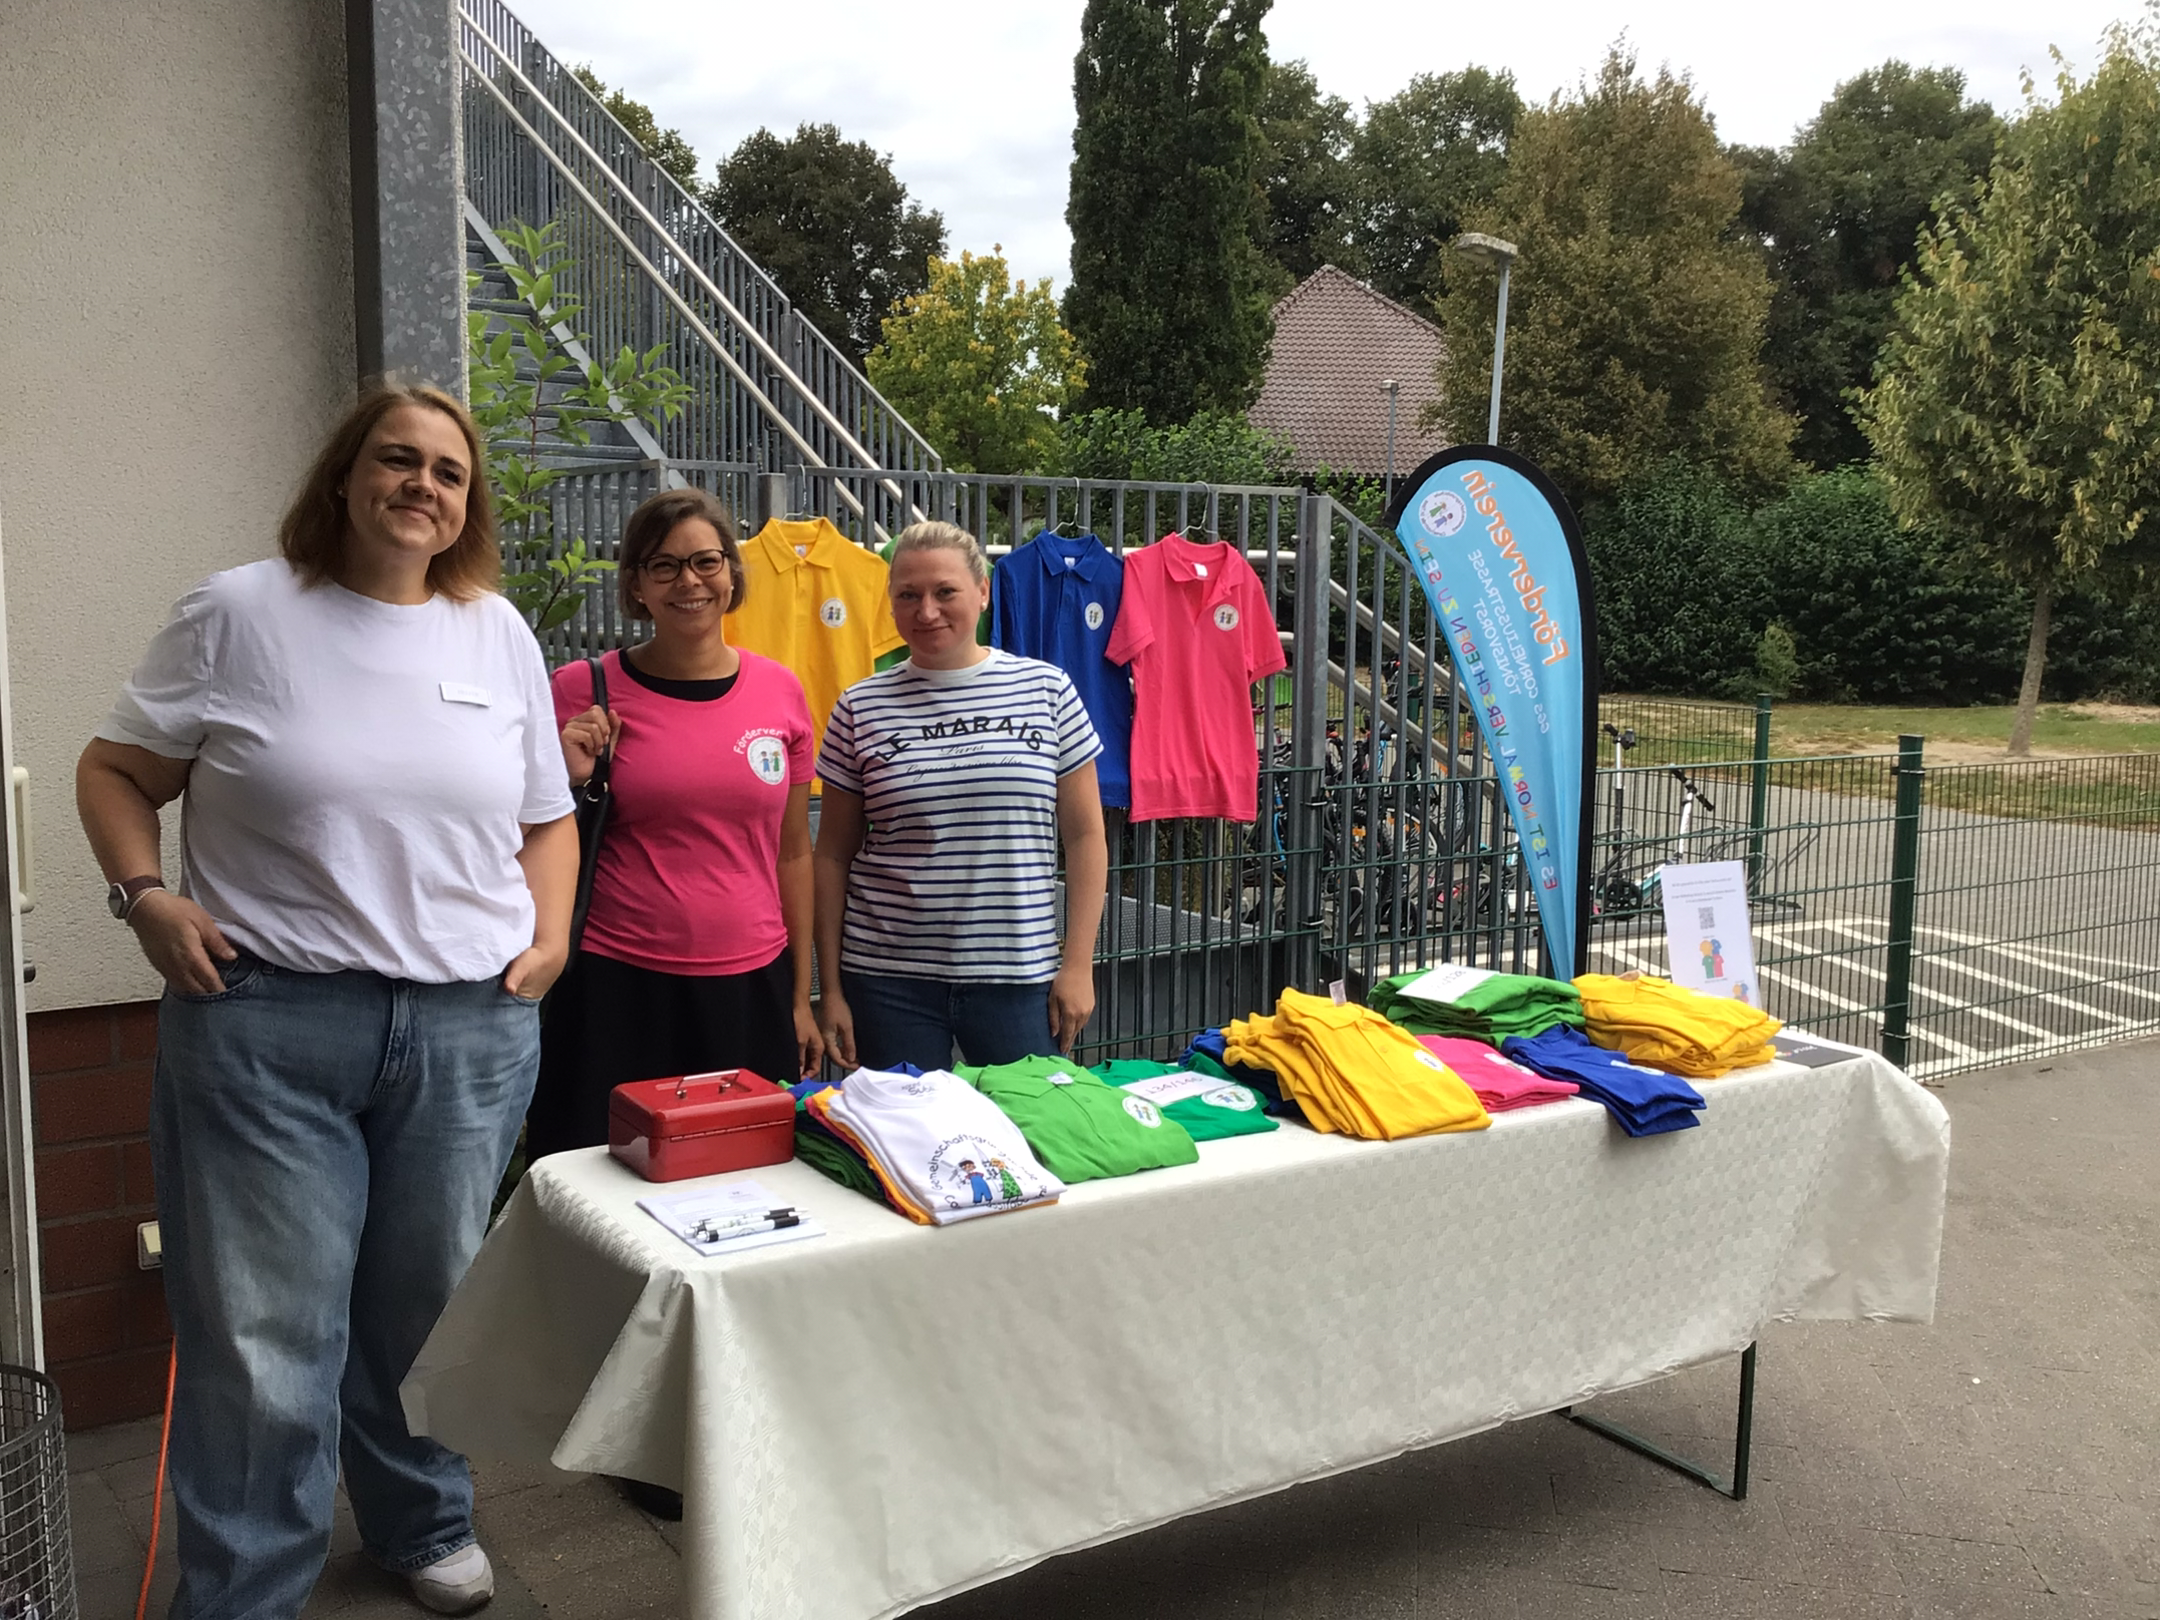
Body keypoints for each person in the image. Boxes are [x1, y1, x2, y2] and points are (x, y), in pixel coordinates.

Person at [75, 383, 577, 1618]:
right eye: (398, 459)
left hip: (465, 1031)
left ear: (468, 503)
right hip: (269, 1025)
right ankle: (248, 1588)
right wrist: (144, 896)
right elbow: (114, 771)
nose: (423, 485)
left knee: (426, 1310)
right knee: (267, 1337)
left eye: (449, 472)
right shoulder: (240, 612)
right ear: (345, 476)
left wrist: (551, 939)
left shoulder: (495, 631)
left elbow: (546, 817)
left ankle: (421, 1521)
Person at [527, 486, 821, 1161]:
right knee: (600, 1172)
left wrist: (800, 996)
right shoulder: (581, 690)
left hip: (751, 985)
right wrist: (564, 775)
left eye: (705, 561)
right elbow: (523, 832)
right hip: (616, 983)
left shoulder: (781, 691)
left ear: (731, 574)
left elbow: (793, 853)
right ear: (636, 584)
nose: (689, 582)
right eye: (663, 565)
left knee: (744, 1175)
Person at [815, 521, 1109, 1072]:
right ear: (890, 603)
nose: (926, 611)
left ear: (982, 592)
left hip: (1017, 975)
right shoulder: (858, 706)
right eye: (908, 595)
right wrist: (830, 988)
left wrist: (1078, 964)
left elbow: (1086, 835)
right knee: (907, 1126)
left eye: (945, 591)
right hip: (887, 978)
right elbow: (831, 854)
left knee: (1025, 1121)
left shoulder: (1047, 690)